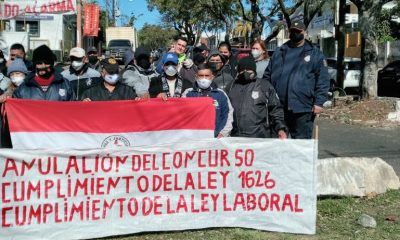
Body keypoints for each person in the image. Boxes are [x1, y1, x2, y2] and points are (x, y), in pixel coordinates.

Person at [263, 20, 330, 139]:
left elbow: (323, 80)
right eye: (293, 31)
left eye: (298, 31)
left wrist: (319, 102)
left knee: (301, 145)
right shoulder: (279, 51)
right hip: (278, 107)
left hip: (303, 108)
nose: (295, 33)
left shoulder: (315, 53)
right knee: (277, 143)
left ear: (304, 32)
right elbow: (267, 76)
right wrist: (266, 97)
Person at [229, 57, 287, 139]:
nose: (245, 72)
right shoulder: (231, 86)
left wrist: (280, 128)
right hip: (235, 137)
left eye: (248, 69)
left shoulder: (264, 85)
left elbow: (275, 110)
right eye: (242, 70)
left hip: (259, 137)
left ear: (254, 70)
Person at [182, 63, 233, 138]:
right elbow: (182, 115)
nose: (204, 78)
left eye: (207, 76)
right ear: (196, 77)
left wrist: (224, 133)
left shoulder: (220, 94)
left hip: (216, 138)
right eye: (201, 76)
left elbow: (228, 114)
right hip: (194, 138)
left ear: (212, 77)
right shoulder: (188, 94)